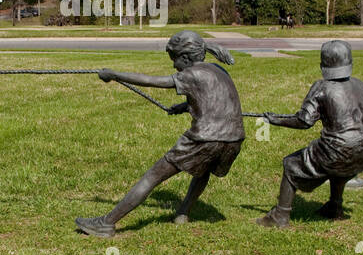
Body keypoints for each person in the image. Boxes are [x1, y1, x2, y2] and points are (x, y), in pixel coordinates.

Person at [75, 30, 244, 238]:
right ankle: (183, 213)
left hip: (206, 137)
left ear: (185, 57)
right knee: (203, 169)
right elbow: (215, 99)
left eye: (174, 60)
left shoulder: (191, 73)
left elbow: (151, 81)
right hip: (234, 138)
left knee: (152, 177)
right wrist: (185, 106)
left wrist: (114, 75)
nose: (174, 66)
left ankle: (106, 223)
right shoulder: (217, 69)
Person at [256, 40, 363, 228]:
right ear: (350, 62)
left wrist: (276, 120)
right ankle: (335, 207)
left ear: (322, 65)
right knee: (341, 164)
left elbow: (304, 121)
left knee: (291, 164)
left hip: (339, 149)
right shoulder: (361, 85)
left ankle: (280, 216)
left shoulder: (321, 87)